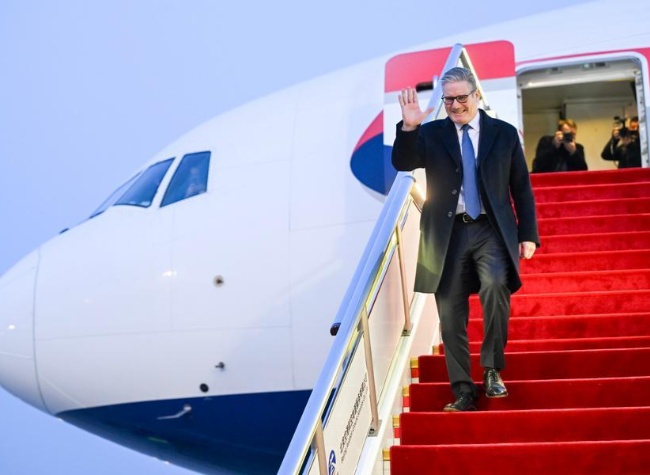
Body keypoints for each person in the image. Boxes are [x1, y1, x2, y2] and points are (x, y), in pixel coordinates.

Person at [392, 67, 540, 412]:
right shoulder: (431, 133)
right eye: (449, 100)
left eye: (461, 97)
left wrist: (528, 234)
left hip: (491, 228)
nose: (456, 105)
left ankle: (492, 369)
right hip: (447, 232)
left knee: (496, 285)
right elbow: (403, 162)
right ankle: (462, 390)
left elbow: (521, 186)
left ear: (476, 96)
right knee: (450, 312)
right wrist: (409, 128)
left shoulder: (503, 133)